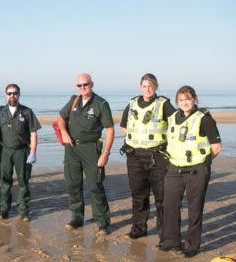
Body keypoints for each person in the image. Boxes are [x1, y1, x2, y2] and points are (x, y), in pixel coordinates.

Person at [158, 86, 222, 258]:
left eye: (187, 99)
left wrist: (203, 164)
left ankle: (192, 245)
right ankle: (171, 241)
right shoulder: (172, 118)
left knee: (194, 209)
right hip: (173, 169)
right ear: (177, 102)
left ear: (194, 99)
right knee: (170, 205)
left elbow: (216, 147)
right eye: (181, 100)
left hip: (196, 171)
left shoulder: (204, 119)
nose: (184, 103)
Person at [56, 73, 114, 235]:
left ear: (92, 84)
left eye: (85, 85)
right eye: (79, 85)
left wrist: (105, 153)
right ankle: (77, 218)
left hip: (91, 149)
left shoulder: (101, 104)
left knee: (95, 185)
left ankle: (102, 222)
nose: (82, 88)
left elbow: (110, 130)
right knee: (73, 184)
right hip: (72, 149)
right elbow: (61, 118)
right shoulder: (74, 100)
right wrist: (64, 132)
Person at [120, 74, 175, 241]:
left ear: (156, 87)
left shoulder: (164, 104)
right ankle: (138, 228)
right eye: (144, 86)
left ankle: (164, 233)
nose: (147, 89)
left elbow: (176, 125)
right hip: (135, 157)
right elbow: (124, 127)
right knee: (138, 195)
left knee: (161, 196)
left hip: (157, 157)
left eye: (150, 86)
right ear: (140, 87)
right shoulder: (132, 103)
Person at [0, 84, 41, 221]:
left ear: (19, 94)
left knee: (23, 182)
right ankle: (4, 210)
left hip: (22, 151)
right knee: (5, 181)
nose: (12, 96)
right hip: (5, 151)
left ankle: (23, 211)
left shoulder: (27, 112)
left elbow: (33, 133)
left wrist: (33, 152)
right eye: (9, 93)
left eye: (15, 93)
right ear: (5, 95)